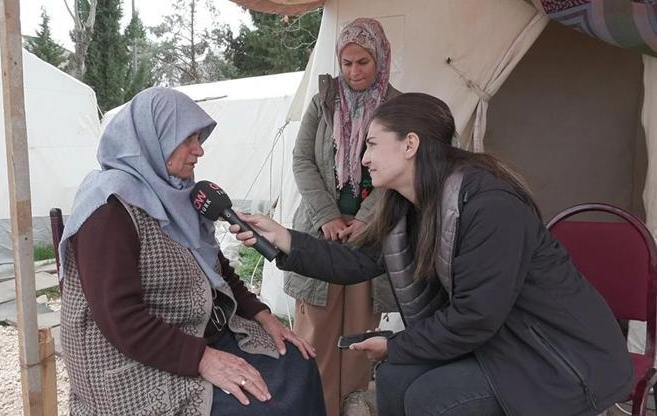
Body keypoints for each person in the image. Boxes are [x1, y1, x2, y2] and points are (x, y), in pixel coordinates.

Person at [230, 93, 634, 416]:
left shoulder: (489, 205)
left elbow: (476, 317)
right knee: (393, 380)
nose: (363, 157)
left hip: (555, 357)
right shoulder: (407, 206)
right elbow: (356, 261)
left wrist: (395, 344)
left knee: (431, 398)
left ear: (410, 144)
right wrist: (283, 238)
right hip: (498, 343)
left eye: (371, 144)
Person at [58, 87, 326, 416]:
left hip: (199, 330)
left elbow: (217, 268)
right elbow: (120, 318)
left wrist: (262, 314)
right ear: (153, 137)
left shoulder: (180, 192)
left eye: (199, 138)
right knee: (262, 408)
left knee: (297, 363)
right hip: (130, 357)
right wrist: (202, 359)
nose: (199, 150)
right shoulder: (107, 209)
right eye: (187, 138)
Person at [288, 17, 402, 416]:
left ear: (381, 59)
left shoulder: (398, 109)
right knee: (315, 329)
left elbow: (400, 170)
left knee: (358, 332)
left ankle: (353, 405)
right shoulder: (324, 101)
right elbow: (303, 160)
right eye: (347, 62)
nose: (354, 72)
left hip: (368, 238)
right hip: (323, 234)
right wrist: (326, 216)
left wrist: (367, 219)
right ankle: (314, 407)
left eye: (363, 62)